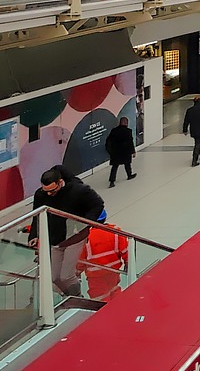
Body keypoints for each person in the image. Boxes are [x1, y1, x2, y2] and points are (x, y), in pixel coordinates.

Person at [30, 165, 103, 297]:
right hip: (54, 238)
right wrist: (34, 235)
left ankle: (78, 297)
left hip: (74, 237)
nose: (49, 194)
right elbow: (37, 215)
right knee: (54, 278)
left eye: (52, 190)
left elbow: (97, 205)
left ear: (60, 182)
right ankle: (69, 297)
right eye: (46, 191)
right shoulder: (40, 194)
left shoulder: (79, 191)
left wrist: (84, 224)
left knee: (66, 276)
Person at [105, 115, 136, 186]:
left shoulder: (114, 131)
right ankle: (129, 175)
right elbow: (130, 143)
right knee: (127, 164)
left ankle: (112, 181)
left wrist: (110, 151)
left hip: (115, 152)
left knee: (115, 167)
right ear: (126, 123)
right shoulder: (128, 131)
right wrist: (133, 151)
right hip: (125, 152)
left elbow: (108, 141)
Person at [183, 96, 200, 166]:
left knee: (197, 142)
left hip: (193, 129)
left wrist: (185, 130)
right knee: (197, 144)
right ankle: (194, 160)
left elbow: (186, 121)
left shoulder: (189, 110)